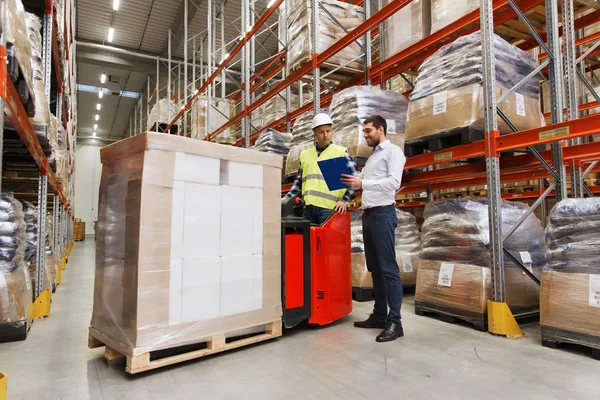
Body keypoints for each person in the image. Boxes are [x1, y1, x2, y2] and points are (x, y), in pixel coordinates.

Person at [341, 115, 406, 343]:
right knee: (376, 269)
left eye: (368, 131)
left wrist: (363, 184)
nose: (365, 136)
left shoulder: (393, 152)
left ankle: (395, 322)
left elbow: (393, 183)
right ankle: (380, 315)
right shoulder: (372, 158)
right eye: (364, 132)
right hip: (368, 215)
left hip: (383, 214)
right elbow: (362, 180)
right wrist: (351, 180)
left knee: (388, 269)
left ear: (380, 129)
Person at [284, 113, 359, 225]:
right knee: (308, 242)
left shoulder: (340, 153)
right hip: (308, 209)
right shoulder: (305, 155)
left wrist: (345, 200)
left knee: (327, 242)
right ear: (315, 134)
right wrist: (287, 198)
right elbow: (299, 182)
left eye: (328, 131)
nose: (325, 135)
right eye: (321, 132)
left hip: (330, 209)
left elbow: (356, 180)